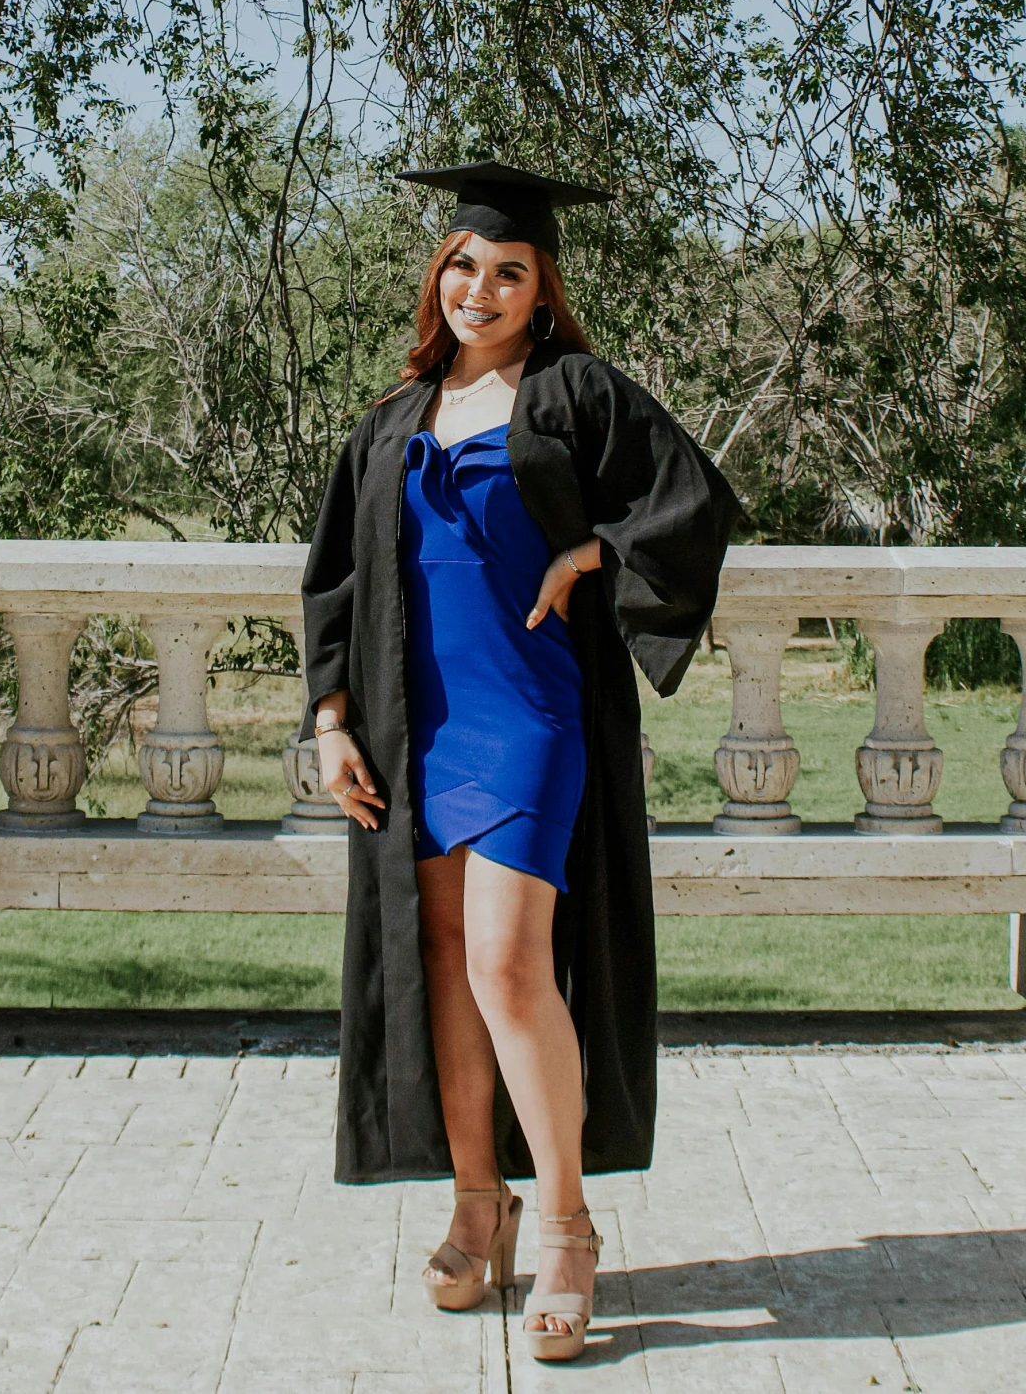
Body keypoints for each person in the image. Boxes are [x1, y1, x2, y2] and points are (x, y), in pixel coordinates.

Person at [299, 161, 742, 1362]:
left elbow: (690, 500)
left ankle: (564, 1227)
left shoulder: (576, 391)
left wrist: (590, 552)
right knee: (443, 959)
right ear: (433, 275)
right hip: (412, 722)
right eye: (461, 264)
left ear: (541, 293)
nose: (479, 288)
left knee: (505, 959)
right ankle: (471, 1199)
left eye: (508, 271)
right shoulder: (390, 423)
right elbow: (335, 580)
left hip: (535, 711)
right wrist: (330, 719)